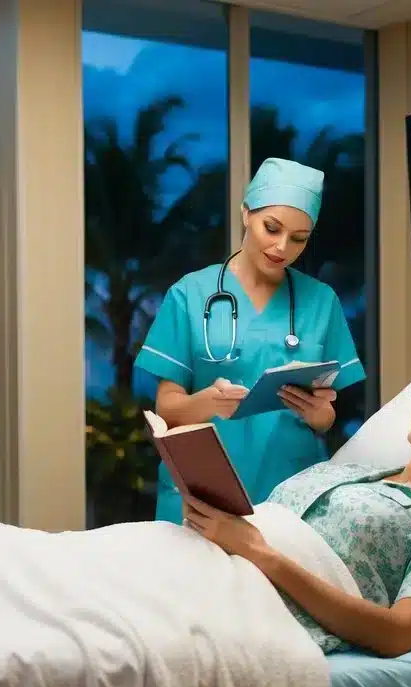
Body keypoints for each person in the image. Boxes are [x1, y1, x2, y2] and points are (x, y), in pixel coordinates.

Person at [183, 356, 411, 659]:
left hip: (252, 612)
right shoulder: (341, 472)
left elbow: (397, 634)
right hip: (202, 570)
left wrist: (258, 553)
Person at [135, 157, 367, 525]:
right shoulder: (189, 294)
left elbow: (326, 418)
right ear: (246, 213)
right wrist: (207, 402)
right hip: (205, 492)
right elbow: (167, 410)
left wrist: (318, 413)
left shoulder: (321, 301)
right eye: (271, 228)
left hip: (290, 495)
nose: (282, 247)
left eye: (299, 238)